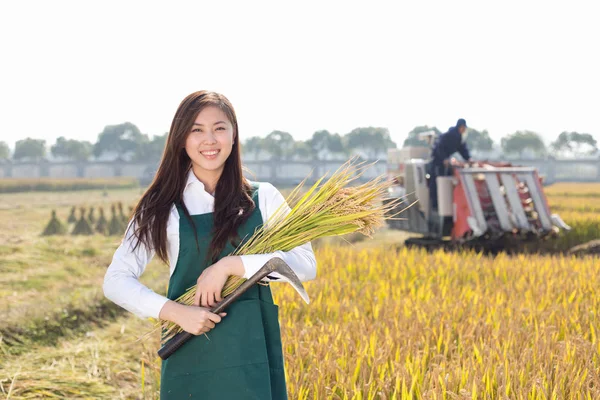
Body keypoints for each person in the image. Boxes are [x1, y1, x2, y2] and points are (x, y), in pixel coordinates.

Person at [102, 90, 317, 399]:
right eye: (196, 129)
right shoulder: (160, 205)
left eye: (219, 128)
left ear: (233, 135)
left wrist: (231, 266)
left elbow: (306, 265)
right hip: (190, 348)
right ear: (181, 139)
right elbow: (115, 281)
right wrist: (176, 313)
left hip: (252, 349)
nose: (210, 140)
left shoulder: (264, 197)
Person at [428, 118, 472, 210]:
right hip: (437, 162)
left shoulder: (458, 138)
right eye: (464, 128)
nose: (464, 130)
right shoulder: (448, 135)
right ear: (460, 127)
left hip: (445, 162)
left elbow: (462, 149)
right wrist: (444, 159)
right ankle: (435, 205)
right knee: (437, 182)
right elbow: (439, 147)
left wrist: (468, 159)